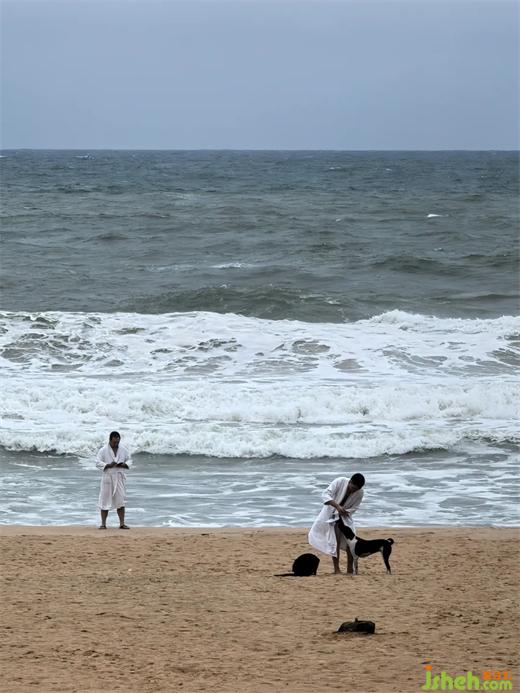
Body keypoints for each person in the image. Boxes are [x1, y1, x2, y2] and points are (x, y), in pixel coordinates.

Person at [308, 473, 365, 574]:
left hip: (344, 517)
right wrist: (337, 506)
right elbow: (325, 494)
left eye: (356, 490)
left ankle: (350, 569)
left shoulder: (360, 492)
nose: (353, 491)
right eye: (352, 488)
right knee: (335, 542)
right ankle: (337, 569)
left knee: (351, 542)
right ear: (350, 482)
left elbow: (355, 507)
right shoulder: (340, 481)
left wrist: (346, 511)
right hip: (331, 514)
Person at [96, 431, 132, 529]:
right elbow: (97, 462)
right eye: (114, 442)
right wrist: (107, 465)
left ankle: (122, 524)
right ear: (110, 440)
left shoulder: (123, 449)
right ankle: (103, 524)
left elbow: (129, 460)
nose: (116, 444)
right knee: (104, 500)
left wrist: (124, 464)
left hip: (119, 477)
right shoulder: (103, 450)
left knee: (121, 500)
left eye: (117, 442)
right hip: (108, 478)